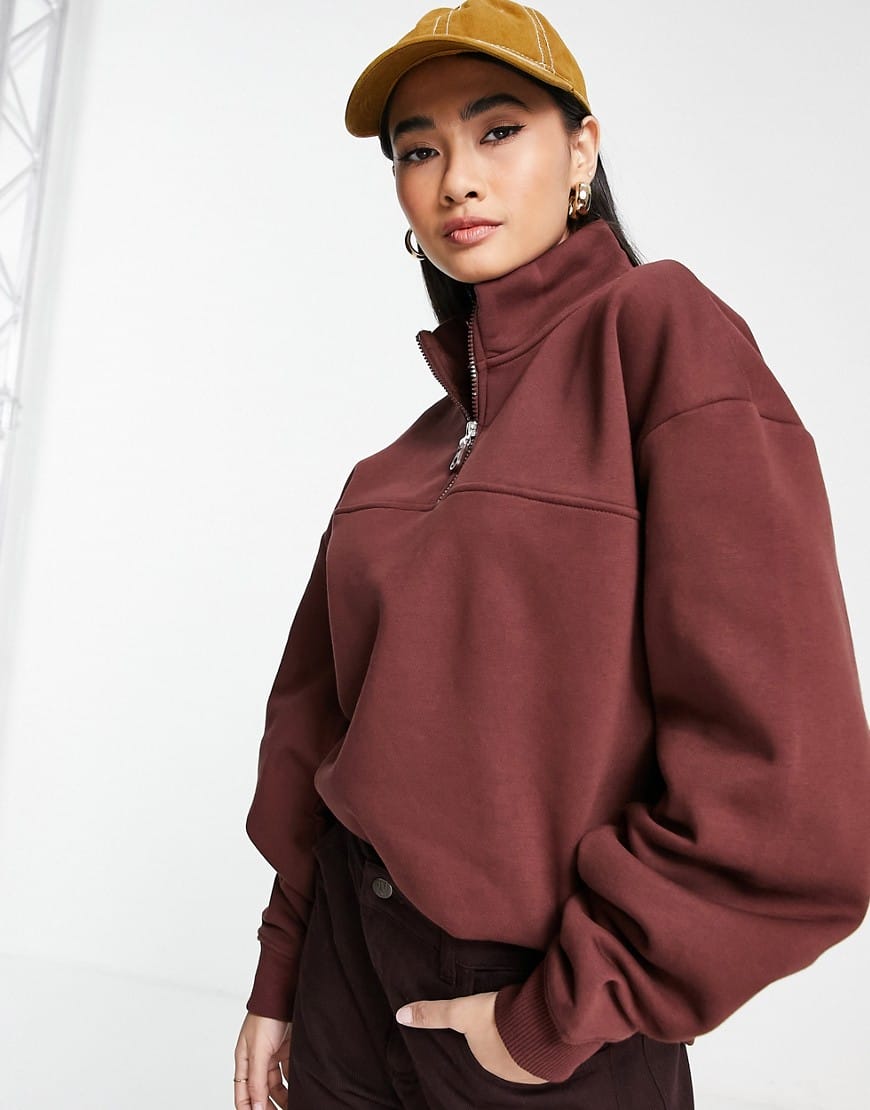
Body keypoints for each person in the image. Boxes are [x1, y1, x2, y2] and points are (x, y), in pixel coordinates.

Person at [233, 2, 870, 1107]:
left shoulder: (661, 337)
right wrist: (281, 972)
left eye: (498, 130)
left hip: (538, 1028)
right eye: (418, 151)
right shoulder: (396, 465)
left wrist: (555, 1016)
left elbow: (789, 787)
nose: (457, 180)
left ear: (582, 150)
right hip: (345, 988)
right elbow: (321, 739)